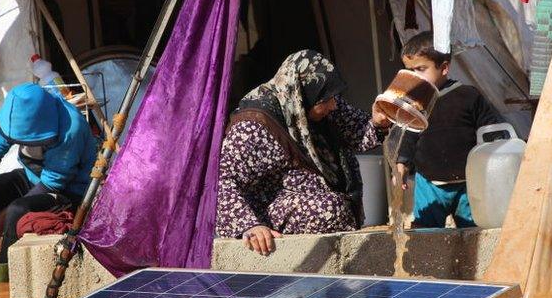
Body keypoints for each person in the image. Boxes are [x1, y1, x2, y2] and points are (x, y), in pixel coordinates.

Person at [216, 50, 391, 255]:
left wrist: (378, 123)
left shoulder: (322, 101)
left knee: (334, 206)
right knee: (328, 209)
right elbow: (224, 180)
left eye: (335, 98)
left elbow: (357, 133)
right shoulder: (254, 126)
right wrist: (249, 226)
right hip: (267, 211)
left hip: (325, 199)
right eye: (326, 101)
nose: (333, 105)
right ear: (302, 96)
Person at [0, 82, 97, 284]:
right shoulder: (9, 115)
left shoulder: (70, 127)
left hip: (67, 190)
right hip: (32, 177)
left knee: (16, 210)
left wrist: (1, 218)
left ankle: (3, 278)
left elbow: (53, 182)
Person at [394, 32, 504, 228]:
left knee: (474, 235)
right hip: (429, 183)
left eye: (420, 69)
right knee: (425, 237)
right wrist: (402, 164)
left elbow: (491, 131)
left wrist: (498, 159)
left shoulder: (468, 96)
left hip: (468, 183)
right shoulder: (415, 102)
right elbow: (409, 135)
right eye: (410, 70)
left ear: (444, 68)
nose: (414, 76)